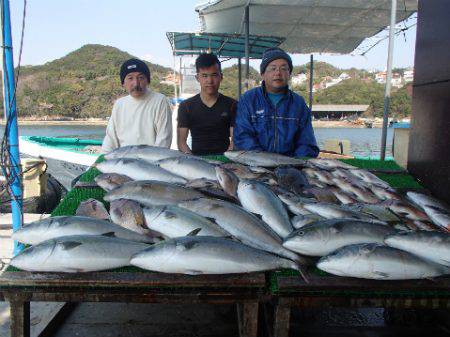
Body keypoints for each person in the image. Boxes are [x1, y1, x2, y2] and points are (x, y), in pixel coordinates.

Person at [234, 48, 319, 157]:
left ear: (289, 74)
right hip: (255, 165)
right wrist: (265, 160)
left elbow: (307, 142)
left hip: (291, 166)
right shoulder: (248, 99)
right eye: (272, 68)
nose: (278, 73)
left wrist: (295, 163)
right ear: (263, 74)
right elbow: (242, 137)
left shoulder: (299, 103)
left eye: (284, 68)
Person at [101, 58, 172, 153]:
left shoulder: (160, 101)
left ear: (148, 81)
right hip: (123, 162)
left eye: (141, 77)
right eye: (130, 78)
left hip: (151, 162)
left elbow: (164, 140)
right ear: (123, 83)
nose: (136, 83)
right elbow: (110, 139)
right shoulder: (119, 104)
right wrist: (103, 158)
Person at [177, 53, 236, 156]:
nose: (210, 81)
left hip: (225, 160)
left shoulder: (232, 105)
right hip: (196, 161)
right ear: (197, 78)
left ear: (221, 77)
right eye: (204, 76)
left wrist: (227, 159)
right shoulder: (186, 106)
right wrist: (192, 160)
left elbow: (234, 140)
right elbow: (181, 142)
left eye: (214, 75)